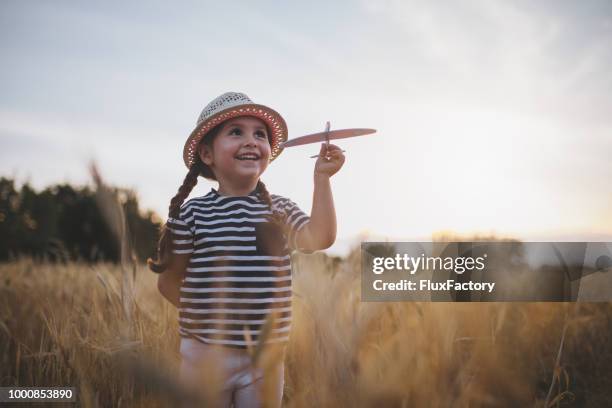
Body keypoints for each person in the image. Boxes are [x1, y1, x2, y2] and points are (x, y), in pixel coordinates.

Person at [148, 92, 345, 407]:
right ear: (207, 154)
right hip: (205, 354)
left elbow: (320, 238)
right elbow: (168, 282)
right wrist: (208, 323)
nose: (252, 141)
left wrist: (322, 178)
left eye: (260, 134)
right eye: (236, 132)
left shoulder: (279, 210)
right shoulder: (192, 214)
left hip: (265, 356)